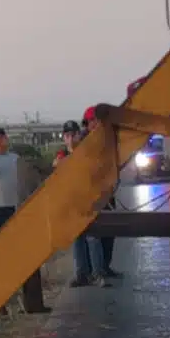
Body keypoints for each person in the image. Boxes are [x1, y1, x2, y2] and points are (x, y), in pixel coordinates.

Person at [56, 119, 106, 287]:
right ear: (64, 138)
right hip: (72, 203)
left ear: (79, 135)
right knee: (77, 240)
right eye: (67, 136)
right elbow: (57, 165)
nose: (71, 139)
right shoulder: (62, 155)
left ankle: (98, 273)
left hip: (88, 201)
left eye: (73, 135)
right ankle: (82, 274)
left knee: (93, 238)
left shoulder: (87, 153)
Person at [82, 107, 123, 280]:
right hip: (91, 195)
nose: (94, 124)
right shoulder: (84, 144)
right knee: (95, 233)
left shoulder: (108, 140)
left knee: (109, 231)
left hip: (107, 192)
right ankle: (97, 271)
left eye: (96, 121)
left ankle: (105, 266)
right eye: (91, 122)